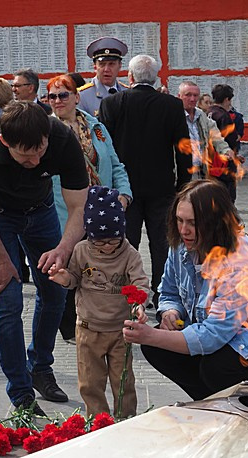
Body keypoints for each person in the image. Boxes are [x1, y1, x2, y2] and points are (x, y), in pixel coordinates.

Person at [124, 180, 248, 400]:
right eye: (179, 220)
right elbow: (169, 292)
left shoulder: (241, 263)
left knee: (216, 366)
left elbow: (212, 336)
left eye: (193, 223)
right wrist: (170, 313)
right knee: (158, 348)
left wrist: (152, 335)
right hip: (231, 331)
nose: (184, 230)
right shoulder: (182, 244)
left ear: (215, 223)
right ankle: (212, 403)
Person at [0, 101, 89, 415]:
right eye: (24, 154)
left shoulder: (61, 138)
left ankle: (40, 367)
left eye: (40, 151)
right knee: (9, 300)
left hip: (40, 212)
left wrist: (63, 249)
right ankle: (20, 393)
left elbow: (78, 209)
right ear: (5, 142)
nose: (35, 160)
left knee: (56, 290)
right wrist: (3, 261)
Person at [48, 186, 149, 417]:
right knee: (90, 383)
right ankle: (98, 423)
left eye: (113, 241)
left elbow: (140, 282)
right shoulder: (82, 250)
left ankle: (125, 420)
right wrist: (63, 278)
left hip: (119, 331)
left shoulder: (129, 254)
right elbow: (74, 278)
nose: (106, 247)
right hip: (88, 328)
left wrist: (139, 304)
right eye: (100, 242)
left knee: (123, 383)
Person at [47, 73, 132, 342]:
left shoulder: (96, 127)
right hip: (63, 209)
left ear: (76, 97)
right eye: (52, 96)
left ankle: (100, 319)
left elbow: (116, 164)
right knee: (69, 266)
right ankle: (69, 326)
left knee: (102, 267)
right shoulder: (46, 130)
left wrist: (125, 194)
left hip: (101, 209)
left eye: (63, 95)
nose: (58, 101)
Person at [99, 54, 188, 304]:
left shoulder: (112, 103)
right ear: (157, 77)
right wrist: (183, 187)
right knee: (162, 243)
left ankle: (128, 294)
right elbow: (183, 149)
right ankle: (163, 293)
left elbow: (105, 150)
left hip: (124, 189)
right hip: (162, 186)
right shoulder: (172, 105)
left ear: (129, 77)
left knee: (126, 242)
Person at [176, 80, 232, 182]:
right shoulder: (174, 116)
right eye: (188, 95)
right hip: (181, 172)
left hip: (201, 170)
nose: (192, 99)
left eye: (195, 95)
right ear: (179, 96)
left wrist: (225, 150)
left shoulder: (201, 115)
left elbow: (215, 135)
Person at [208, 84, 245, 202]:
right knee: (227, 199)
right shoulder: (224, 116)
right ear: (226, 99)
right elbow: (230, 140)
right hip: (224, 166)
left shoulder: (207, 112)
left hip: (209, 162)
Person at [76, 37, 130, 117]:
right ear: (95, 67)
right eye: (102, 64)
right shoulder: (82, 96)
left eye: (111, 64)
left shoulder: (127, 92)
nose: (106, 69)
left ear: (120, 66)